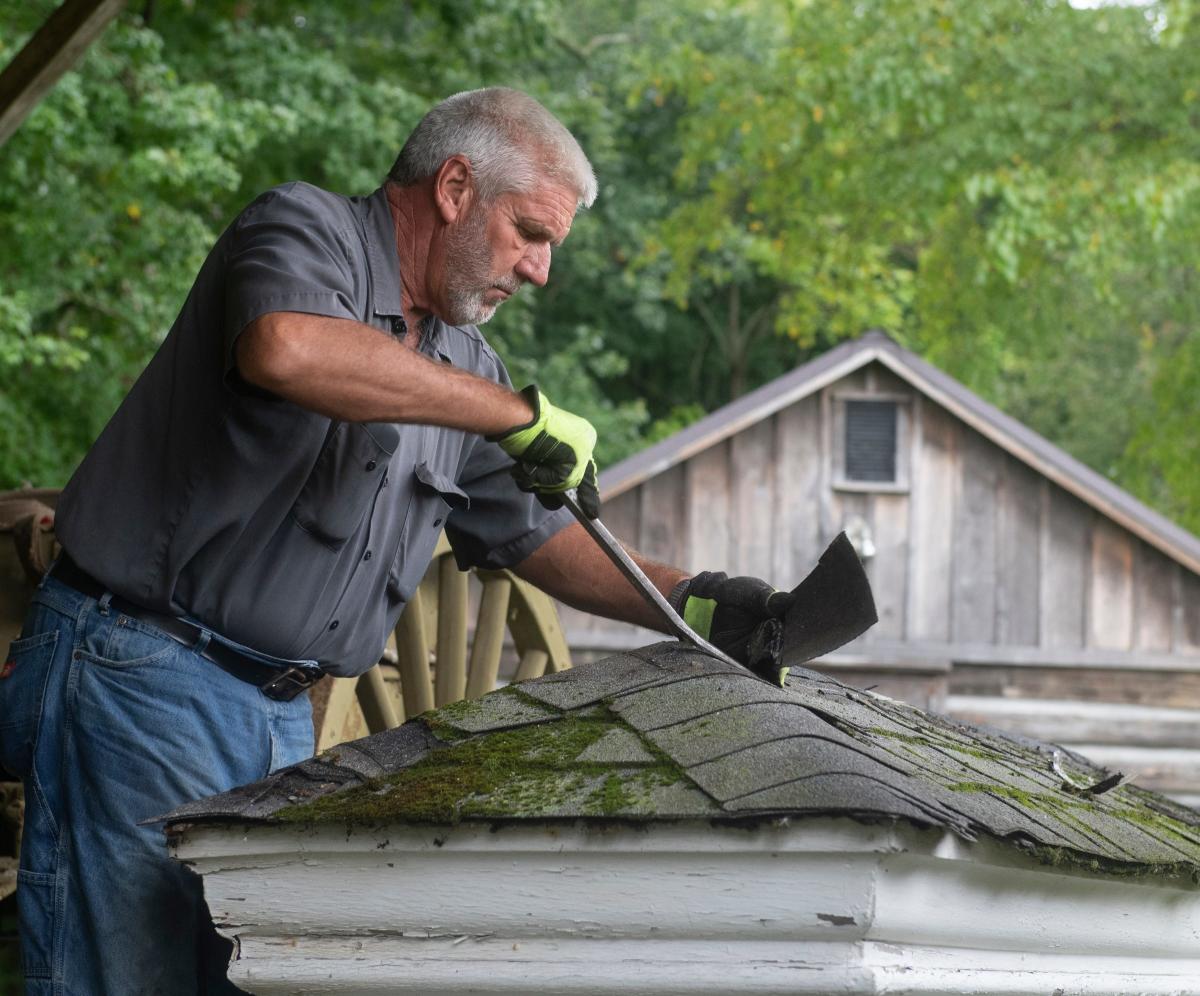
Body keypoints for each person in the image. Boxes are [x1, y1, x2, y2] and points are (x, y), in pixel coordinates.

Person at [0, 87, 790, 994]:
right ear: (455, 186)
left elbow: (537, 538)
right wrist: (514, 416)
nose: (539, 271)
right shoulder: (303, 228)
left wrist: (699, 601)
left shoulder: (462, 361)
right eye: (529, 232)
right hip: (143, 673)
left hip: (280, 714)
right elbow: (287, 348)